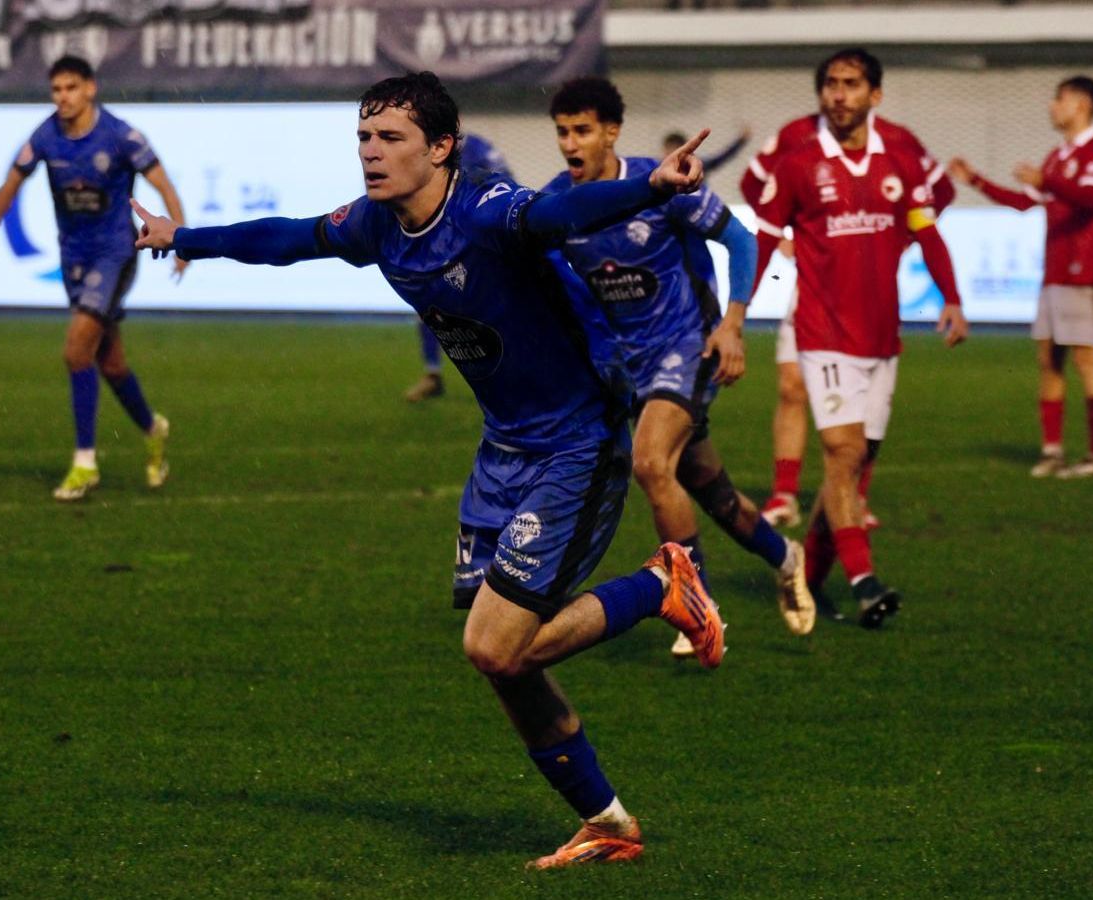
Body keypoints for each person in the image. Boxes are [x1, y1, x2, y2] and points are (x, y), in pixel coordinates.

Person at [131, 71, 726, 869]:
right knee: (503, 662)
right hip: (504, 447)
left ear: (441, 148)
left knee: (495, 646)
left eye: (391, 139)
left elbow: (559, 210)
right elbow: (289, 237)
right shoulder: (377, 227)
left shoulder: (487, 213)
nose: (371, 154)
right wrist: (184, 236)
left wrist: (651, 184)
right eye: (364, 140)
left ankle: (662, 586)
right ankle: (608, 822)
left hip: (577, 442)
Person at [545, 76, 814, 647]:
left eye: (583, 131)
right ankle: (787, 557)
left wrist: (732, 326)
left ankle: (698, 608)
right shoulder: (557, 205)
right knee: (712, 493)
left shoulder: (662, 182)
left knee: (649, 464)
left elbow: (741, 241)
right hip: (627, 371)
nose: (571, 143)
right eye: (563, 132)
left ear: (611, 132)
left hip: (687, 348)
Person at [752, 48, 970, 628]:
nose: (838, 94)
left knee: (853, 464)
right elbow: (765, 237)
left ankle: (808, 577)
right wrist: (734, 313)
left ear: (875, 95)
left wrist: (951, 297)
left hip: (881, 337)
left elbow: (928, 231)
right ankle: (865, 581)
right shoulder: (798, 161)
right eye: (830, 84)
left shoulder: (899, 156)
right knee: (844, 453)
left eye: (851, 85)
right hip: (821, 332)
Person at [0, 55, 188, 501]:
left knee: (76, 351)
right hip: (74, 257)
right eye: (56, 90)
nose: (63, 97)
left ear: (90, 88)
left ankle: (85, 463)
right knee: (109, 364)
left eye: (71, 88)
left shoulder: (119, 135)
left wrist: (182, 240)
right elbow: (12, 182)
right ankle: (153, 429)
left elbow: (164, 185)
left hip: (116, 253)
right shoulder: (45, 136)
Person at [950, 76, 1093, 479]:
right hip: (1055, 269)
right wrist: (976, 180)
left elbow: (1091, 198)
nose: (1051, 106)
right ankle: (1053, 451)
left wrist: (1049, 182)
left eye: (1058, 99)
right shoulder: (1059, 156)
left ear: (1080, 104)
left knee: (1085, 356)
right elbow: (1026, 203)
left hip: (1082, 267)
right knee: (1049, 358)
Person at [404, 132, 515, 403]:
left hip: (478, 239)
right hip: (437, 239)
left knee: (494, 310)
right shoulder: (420, 149)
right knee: (429, 308)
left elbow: (506, 182)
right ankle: (432, 375)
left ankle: (512, 375)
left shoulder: (475, 146)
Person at [662, 126, 752, 175]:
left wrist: (740, 142)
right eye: (666, 149)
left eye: (671, 149)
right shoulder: (658, 169)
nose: (667, 154)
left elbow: (721, 157)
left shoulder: (696, 165)